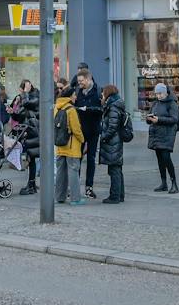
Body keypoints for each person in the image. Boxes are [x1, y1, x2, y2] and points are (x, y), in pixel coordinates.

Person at [71, 65, 104, 198]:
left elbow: (102, 110)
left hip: (94, 130)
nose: (79, 84)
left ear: (88, 79)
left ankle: (89, 187)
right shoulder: (78, 91)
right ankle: (75, 187)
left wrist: (89, 109)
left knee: (91, 159)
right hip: (80, 130)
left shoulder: (98, 91)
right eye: (78, 82)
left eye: (81, 81)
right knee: (77, 158)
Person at [98, 83, 134, 204]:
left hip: (113, 142)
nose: (102, 95)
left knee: (114, 170)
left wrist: (104, 137)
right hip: (115, 142)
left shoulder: (113, 107)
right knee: (116, 169)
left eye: (103, 93)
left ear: (107, 93)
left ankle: (115, 196)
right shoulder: (116, 104)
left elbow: (112, 126)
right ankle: (120, 195)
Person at [52, 83, 85, 206]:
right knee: (73, 171)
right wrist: (82, 140)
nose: (75, 97)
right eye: (74, 95)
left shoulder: (57, 107)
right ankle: (75, 198)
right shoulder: (71, 110)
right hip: (72, 146)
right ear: (70, 96)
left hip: (60, 145)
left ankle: (60, 197)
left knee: (60, 172)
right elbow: (76, 129)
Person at [145, 81, 179, 193]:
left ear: (165, 93)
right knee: (160, 159)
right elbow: (149, 117)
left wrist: (159, 120)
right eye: (157, 94)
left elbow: (174, 119)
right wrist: (149, 119)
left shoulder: (172, 103)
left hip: (167, 134)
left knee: (166, 158)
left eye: (160, 93)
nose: (158, 96)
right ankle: (163, 183)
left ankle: (174, 183)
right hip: (157, 134)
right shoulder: (155, 103)